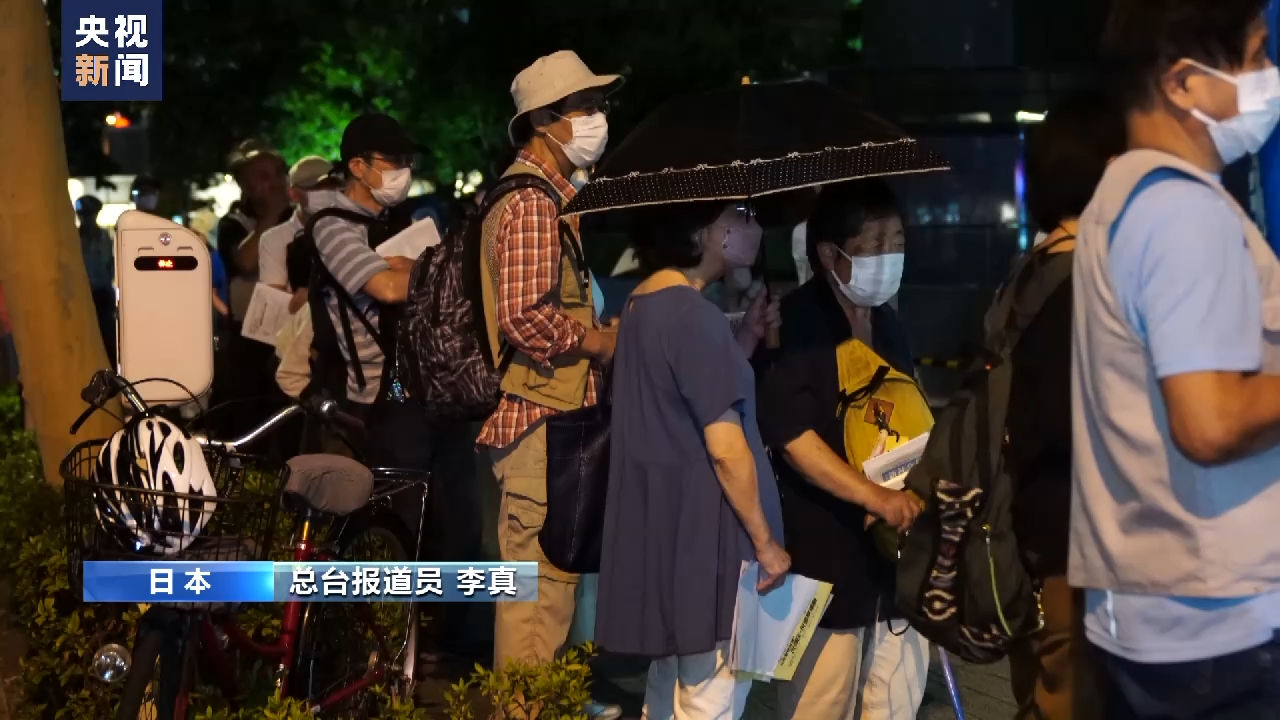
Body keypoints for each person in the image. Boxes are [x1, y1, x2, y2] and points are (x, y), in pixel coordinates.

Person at [1072, 0, 1280, 715]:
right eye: (1256, 54)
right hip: (1220, 625)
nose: (1269, 73)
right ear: (1182, 82)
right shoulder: (1185, 214)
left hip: (1157, 609)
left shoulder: (1123, 197)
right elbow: (1210, 423)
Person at [596, 200, 788, 719]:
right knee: (712, 695)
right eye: (740, 215)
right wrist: (766, 544)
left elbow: (683, 393)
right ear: (705, 232)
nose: (753, 224)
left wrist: (745, 338)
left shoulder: (643, 302)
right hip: (711, 540)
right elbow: (725, 449)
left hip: (667, 534)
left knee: (667, 688)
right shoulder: (694, 316)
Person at [476, 50, 623, 719]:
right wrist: (597, 342)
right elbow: (524, 316)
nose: (597, 119)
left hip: (548, 424)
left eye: (599, 105)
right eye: (583, 107)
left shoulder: (550, 201)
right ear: (542, 120)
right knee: (536, 609)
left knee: (549, 599)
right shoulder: (533, 204)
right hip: (539, 428)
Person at [759, 179, 929, 720]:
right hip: (822, 553)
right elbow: (792, 438)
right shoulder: (797, 323)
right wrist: (875, 499)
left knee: (893, 702)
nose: (890, 257)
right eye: (874, 245)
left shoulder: (889, 323)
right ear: (830, 254)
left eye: (897, 242)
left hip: (895, 556)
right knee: (820, 701)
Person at [1004, 89, 1124, 720]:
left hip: (1038, 525)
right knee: (1070, 696)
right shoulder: (1080, 278)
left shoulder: (1034, 268)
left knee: (1045, 687)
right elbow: (1068, 418)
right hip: (1075, 538)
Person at [310, 112, 418, 420]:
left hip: (423, 377)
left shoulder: (397, 218)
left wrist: (417, 268)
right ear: (358, 167)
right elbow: (388, 288)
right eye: (393, 160)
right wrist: (436, 269)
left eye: (407, 160)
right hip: (376, 393)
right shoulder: (331, 226)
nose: (404, 170)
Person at [213, 140, 294, 438]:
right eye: (262, 177)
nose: (274, 183)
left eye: (278, 174)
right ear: (245, 186)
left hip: (292, 332)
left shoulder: (300, 219)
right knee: (251, 416)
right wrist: (272, 215)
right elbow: (245, 261)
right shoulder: (234, 224)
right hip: (250, 338)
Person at [259, 156, 337, 293]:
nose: (326, 192)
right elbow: (275, 298)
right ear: (294, 194)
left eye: (330, 185)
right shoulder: (274, 239)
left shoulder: (354, 227)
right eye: (316, 187)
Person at [76, 195, 116, 368]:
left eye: (90, 214)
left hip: (102, 295)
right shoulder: (73, 238)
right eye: (83, 214)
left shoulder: (104, 236)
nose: (87, 218)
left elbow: (110, 264)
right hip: (81, 296)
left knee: (108, 340)